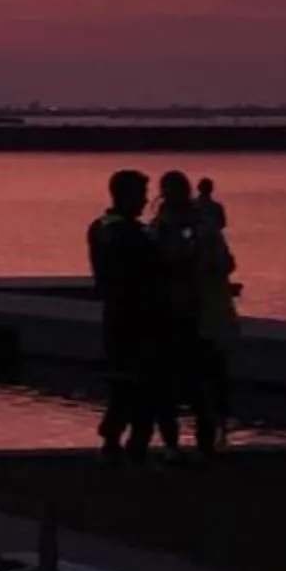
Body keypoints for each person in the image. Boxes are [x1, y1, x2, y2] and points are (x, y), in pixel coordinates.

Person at [87, 169, 162, 462]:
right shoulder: (131, 233)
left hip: (116, 314)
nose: (145, 202)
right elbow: (154, 264)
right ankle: (133, 445)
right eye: (141, 196)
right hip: (137, 316)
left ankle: (113, 439)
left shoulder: (100, 227)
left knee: (123, 383)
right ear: (128, 196)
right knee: (143, 384)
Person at [143, 171, 203, 452]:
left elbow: (187, 256)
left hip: (188, 309)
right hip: (164, 310)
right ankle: (172, 445)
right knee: (166, 386)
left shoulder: (194, 223)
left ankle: (200, 445)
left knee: (193, 384)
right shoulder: (160, 222)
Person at [182, 179, 241, 457]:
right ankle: (216, 425)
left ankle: (212, 426)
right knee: (213, 370)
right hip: (205, 314)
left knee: (210, 371)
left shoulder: (198, 221)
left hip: (205, 313)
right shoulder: (208, 224)